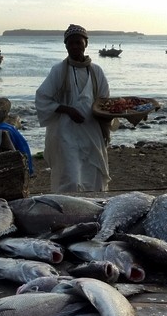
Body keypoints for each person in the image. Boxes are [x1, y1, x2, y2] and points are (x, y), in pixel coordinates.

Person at [35, 24, 112, 193]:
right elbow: (42, 97)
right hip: (65, 132)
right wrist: (67, 110)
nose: (75, 46)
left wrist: (111, 115)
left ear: (86, 43)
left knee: (93, 173)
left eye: (79, 42)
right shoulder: (58, 71)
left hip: (91, 130)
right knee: (69, 176)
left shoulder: (96, 72)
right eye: (71, 43)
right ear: (66, 45)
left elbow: (104, 102)